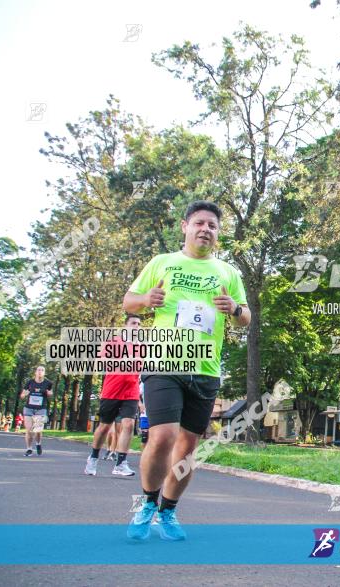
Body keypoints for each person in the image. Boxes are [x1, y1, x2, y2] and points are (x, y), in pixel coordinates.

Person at [122, 200, 249, 541]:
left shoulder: (227, 272)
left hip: (205, 367)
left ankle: (168, 510)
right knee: (162, 436)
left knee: (188, 447)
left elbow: (246, 316)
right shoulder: (162, 263)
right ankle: (147, 503)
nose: (206, 229)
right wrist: (147, 299)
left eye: (212, 226)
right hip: (164, 361)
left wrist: (234, 308)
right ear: (185, 226)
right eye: (200, 223)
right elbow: (129, 301)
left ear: (218, 234)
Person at [85, 313, 143, 477]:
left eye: (139, 324)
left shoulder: (142, 346)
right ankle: (93, 457)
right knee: (104, 427)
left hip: (131, 390)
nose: (136, 327)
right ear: (125, 326)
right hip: (112, 389)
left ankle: (121, 463)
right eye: (133, 323)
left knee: (129, 425)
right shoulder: (113, 342)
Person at [20, 366, 53, 456]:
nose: (40, 371)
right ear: (35, 372)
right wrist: (24, 394)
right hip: (29, 408)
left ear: (44, 373)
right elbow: (22, 395)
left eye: (42, 370)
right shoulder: (29, 382)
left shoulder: (48, 383)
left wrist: (49, 393)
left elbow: (50, 393)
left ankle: (38, 443)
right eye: (38, 370)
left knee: (38, 430)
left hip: (41, 409)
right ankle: (29, 449)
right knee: (29, 430)